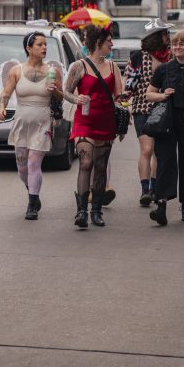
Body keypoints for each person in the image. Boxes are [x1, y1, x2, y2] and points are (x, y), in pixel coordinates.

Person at [0, 31, 68, 220]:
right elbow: (5, 93)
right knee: (22, 166)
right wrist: (2, 107)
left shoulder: (53, 71)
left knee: (34, 163)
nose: (44, 47)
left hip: (42, 122)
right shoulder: (16, 71)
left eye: (45, 44)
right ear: (28, 48)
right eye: (39, 44)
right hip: (21, 122)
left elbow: (62, 96)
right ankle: (32, 190)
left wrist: (55, 92)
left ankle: (32, 204)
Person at [146, 30, 184, 225]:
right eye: (174, 44)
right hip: (167, 120)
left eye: (182, 43)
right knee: (165, 161)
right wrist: (163, 95)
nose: (177, 47)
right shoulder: (163, 70)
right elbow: (149, 94)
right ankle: (161, 205)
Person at [64, 24, 123, 228]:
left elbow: (118, 96)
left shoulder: (114, 67)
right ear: (98, 43)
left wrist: (125, 101)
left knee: (100, 167)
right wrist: (76, 98)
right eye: (109, 41)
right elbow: (66, 91)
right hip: (84, 122)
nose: (112, 44)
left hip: (106, 123)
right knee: (86, 162)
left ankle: (96, 211)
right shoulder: (79, 66)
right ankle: (81, 211)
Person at [124, 18, 173, 207]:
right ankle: (145, 190)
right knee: (146, 149)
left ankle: (154, 187)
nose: (168, 37)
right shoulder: (139, 57)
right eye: (165, 34)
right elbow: (129, 81)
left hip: (163, 109)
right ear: (156, 36)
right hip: (142, 108)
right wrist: (123, 102)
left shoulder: (170, 57)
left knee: (158, 152)